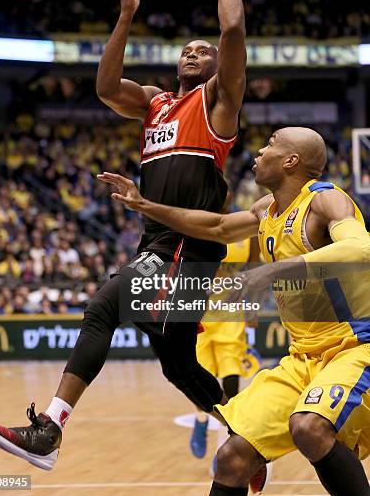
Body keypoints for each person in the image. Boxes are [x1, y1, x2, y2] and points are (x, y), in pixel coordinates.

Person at [0, 0, 250, 472]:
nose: (192, 53)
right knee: (178, 366)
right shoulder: (154, 103)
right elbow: (106, 86)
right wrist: (125, 16)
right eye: (186, 50)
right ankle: (250, 435)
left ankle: (49, 429)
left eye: (202, 50)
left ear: (219, 65)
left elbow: (233, 30)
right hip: (161, 244)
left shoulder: (218, 103)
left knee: (105, 304)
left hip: (184, 248)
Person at [97, 126, 370, 496]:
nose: (259, 151)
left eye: (271, 144)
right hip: (302, 358)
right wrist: (145, 206)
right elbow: (219, 226)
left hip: (356, 347)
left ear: (291, 161)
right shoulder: (266, 210)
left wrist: (273, 270)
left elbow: (361, 249)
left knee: (308, 427)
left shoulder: (325, 200)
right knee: (232, 457)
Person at [190, 240, 261, 469]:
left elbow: (254, 269)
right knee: (201, 381)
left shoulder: (248, 235)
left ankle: (225, 448)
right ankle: (200, 420)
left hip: (231, 313)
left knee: (231, 383)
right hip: (199, 314)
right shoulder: (196, 225)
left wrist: (253, 306)